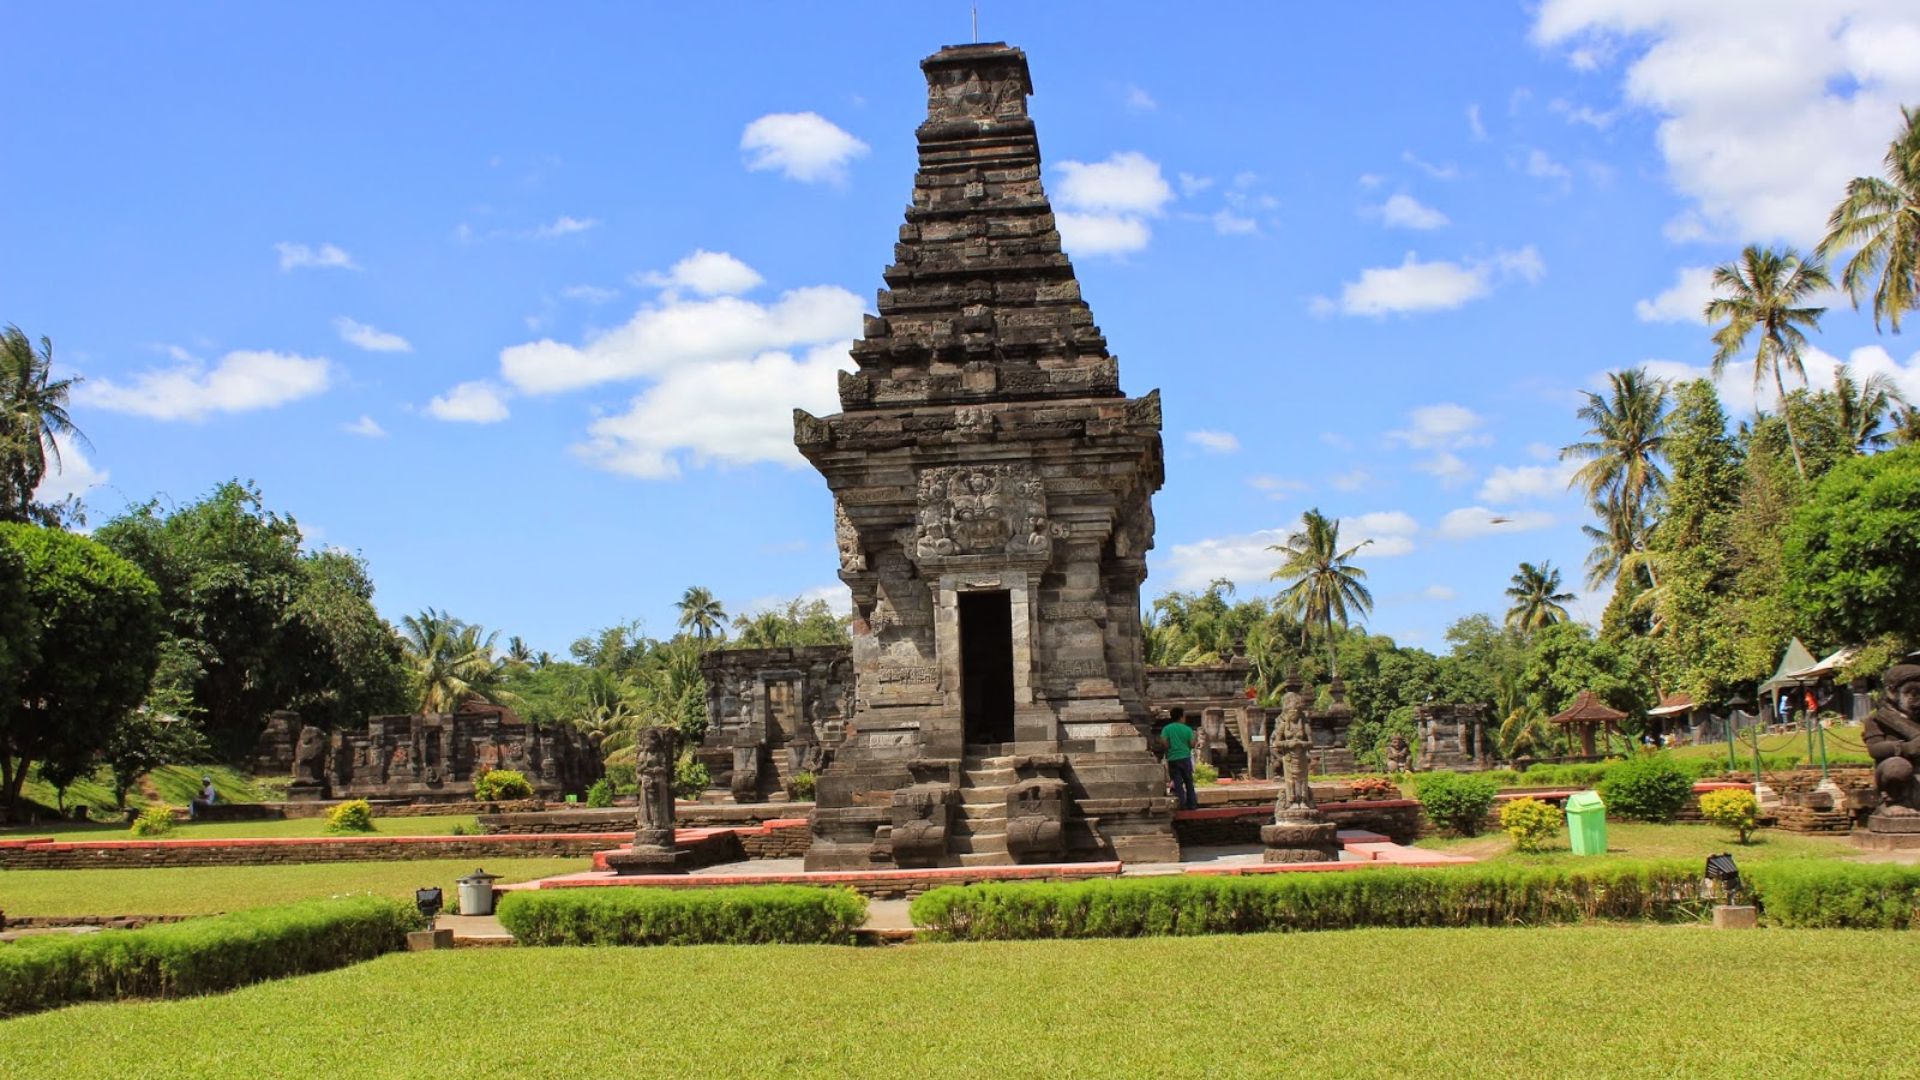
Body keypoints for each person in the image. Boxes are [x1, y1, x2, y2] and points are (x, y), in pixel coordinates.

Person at [1162, 707, 1199, 812]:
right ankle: (1192, 804)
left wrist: (1170, 747)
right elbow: (1192, 744)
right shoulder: (1187, 729)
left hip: (1173, 758)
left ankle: (1182, 804)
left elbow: (1164, 742)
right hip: (1185, 757)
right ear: (1181, 717)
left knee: (1177, 782)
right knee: (1188, 781)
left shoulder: (1167, 729)